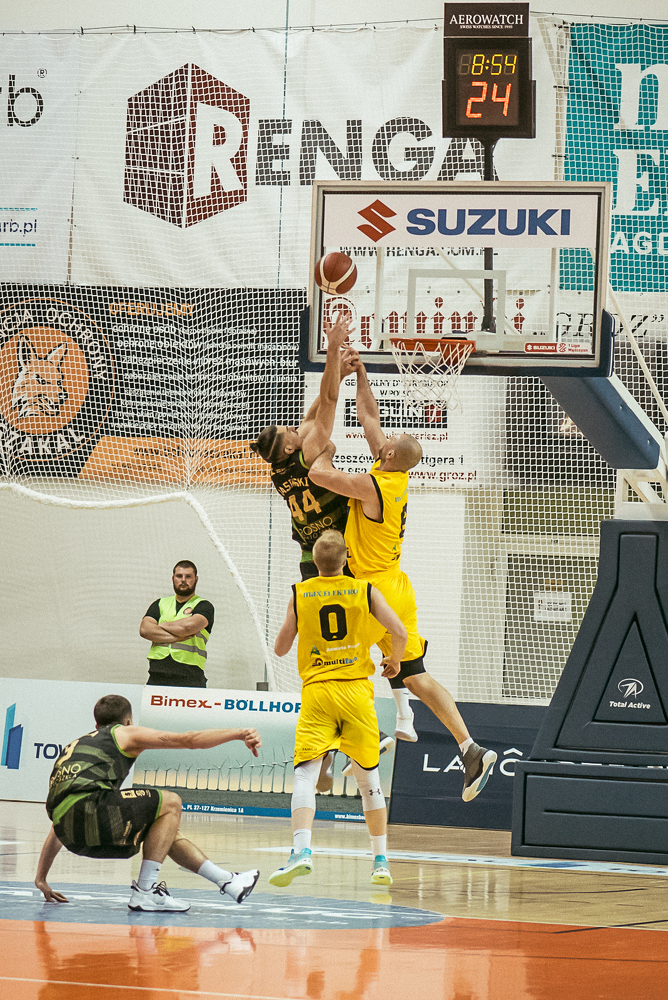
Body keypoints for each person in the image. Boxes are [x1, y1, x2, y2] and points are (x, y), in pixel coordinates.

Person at [308, 360, 497, 803]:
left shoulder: (374, 487)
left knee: (334, 665)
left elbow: (317, 473)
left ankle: (361, 742)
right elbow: (369, 417)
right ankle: (470, 749)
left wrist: (327, 450)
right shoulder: (394, 471)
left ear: (390, 455)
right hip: (397, 586)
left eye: (389, 441)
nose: (385, 437)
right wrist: (360, 374)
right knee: (413, 675)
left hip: (372, 591)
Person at [34, 694, 262, 912]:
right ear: (128, 721)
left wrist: (41, 877)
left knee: (163, 830)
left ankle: (228, 881)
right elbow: (189, 740)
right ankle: (145, 892)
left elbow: (64, 816)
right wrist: (239, 733)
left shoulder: (77, 745)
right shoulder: (125, 733)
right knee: (171, 802)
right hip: (95, 815)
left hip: (73, 836)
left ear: (96, 724)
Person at [269, 529, 407, 888]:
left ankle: (301, 851)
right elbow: (399, 631)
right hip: (356, 691)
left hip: (318, 692)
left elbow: (281, 648)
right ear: (347, 557)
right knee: (368, 779)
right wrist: (393, 660)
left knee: (305, 775)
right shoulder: (364, 590)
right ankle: (380, 862)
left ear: (314, 562)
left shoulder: (300, 593)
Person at [140, 560, 214, 688]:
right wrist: (177, 637)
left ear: (196, 579)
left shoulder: (204, 606)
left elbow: (187, 627)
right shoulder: (160, 603)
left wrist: (160, 625)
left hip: (190, 676)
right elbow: (144, 630)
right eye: (179, 576)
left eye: (188, 576)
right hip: (157, 675)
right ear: (173, 578)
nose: (183, 580)